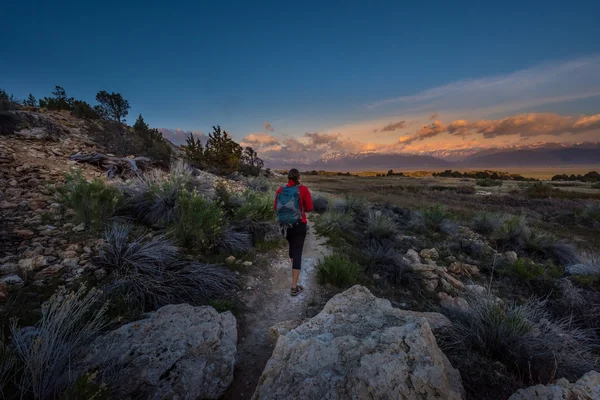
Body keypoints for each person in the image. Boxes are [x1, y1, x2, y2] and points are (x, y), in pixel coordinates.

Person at [274, 168, 313, 296]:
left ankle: (294, 270)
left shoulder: (280, 189)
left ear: (288, 177)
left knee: (291, 247)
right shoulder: (303, 189)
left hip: (285, 226)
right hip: (299, 224)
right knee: (297, 252)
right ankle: (294, 287)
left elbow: (275, 207)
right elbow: (310, 207)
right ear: (298, 177)